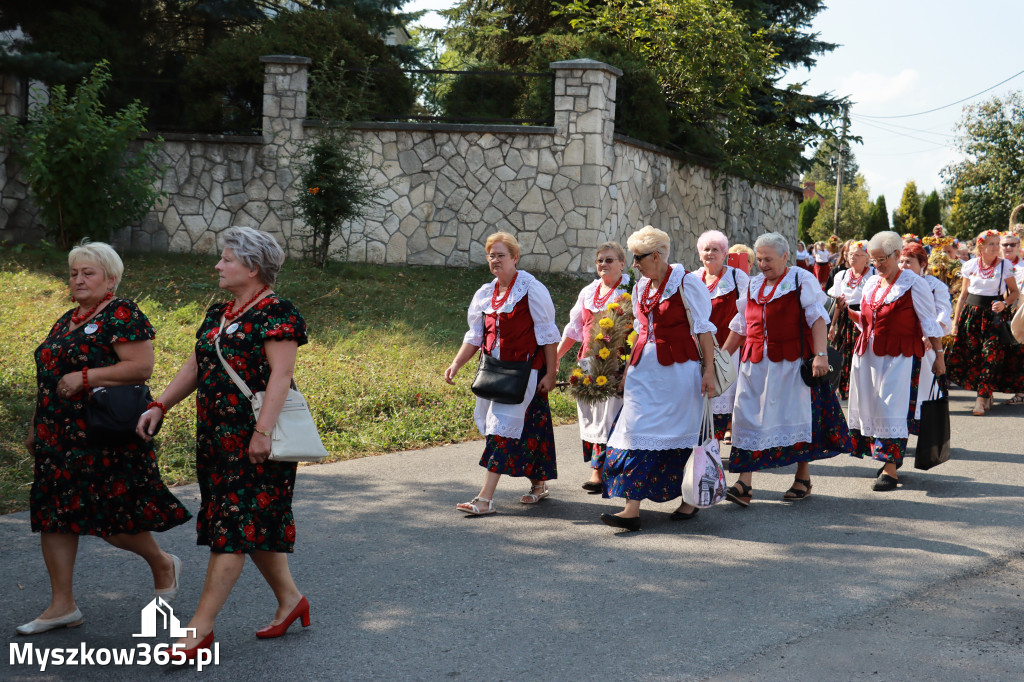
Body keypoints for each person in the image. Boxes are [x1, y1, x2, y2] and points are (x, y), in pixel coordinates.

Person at [137, 226, 310, 657]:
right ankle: (291, 601)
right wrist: (161, 404)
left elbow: (281, 377)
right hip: (216, 438)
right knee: (247, 522)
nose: (218, 264)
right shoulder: (220, 313)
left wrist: (263, 432)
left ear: (252, 267)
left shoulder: (277, 312)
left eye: (227, 258)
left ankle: (200, 628)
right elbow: (196, 364)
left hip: (255, 439)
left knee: (231, 528)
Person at [18, 241, 190, 636]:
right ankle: (63, 605)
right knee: (55, 517)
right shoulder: (67, 321)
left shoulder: (122, 313)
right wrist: (35, 425)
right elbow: (48, 379)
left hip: (101, 434)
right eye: (74, 273)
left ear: (110, 278)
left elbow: (141, 367)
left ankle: (162, 563)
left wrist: (86, 377)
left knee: (112, 519)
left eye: (88, 273)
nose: (78, 279)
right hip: (56, 435)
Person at [598, 226, 716, 531]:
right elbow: (641, 331)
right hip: (643, 372)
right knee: (635, 431)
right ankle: (631, 508)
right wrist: (627, 372)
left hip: (678, 372)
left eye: (638, 258)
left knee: (683, 433)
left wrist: (709, 371)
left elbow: (703, 329)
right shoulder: (641, 287)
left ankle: (689, 500)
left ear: (656, 255)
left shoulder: (687, 283)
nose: (634, 264)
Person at [721, 233, 851, 507]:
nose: (763, 264)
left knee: (796, 418)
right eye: (759, 259)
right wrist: (720, 359)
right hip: (754, 365)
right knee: (747, 420)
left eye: (769, 258)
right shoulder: (753, 284)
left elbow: (817, 319)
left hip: (790, 363)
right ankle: (745, 483)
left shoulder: (800, 279)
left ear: (784, 256)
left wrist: (819, 355)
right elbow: (740, 326)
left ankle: (802, 477)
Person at [445, 231, 561, 515]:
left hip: (524, 371)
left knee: (500, 431)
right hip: (494, 372)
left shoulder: (531, 289)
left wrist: (551, 373)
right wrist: (457, 364)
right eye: (491, 256)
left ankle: (484, 499)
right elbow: (474, 336)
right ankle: (539, 483)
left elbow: (548, 335)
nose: (495, 260)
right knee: (530, 427)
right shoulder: (485, 293)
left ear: (515, 258)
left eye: (501, 255)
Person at [845, 232, 946, 491]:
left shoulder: (913, 283)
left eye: (882, 259)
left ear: (895, 255)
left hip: (899, 357)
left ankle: (890, 469)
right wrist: (848, 313)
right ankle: (889, 458)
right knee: (874, 407)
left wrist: (939, 356)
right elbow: (869, 319)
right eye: (873, 260)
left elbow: (928, 321)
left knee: (892, 408)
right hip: (868, 356)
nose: (877, 265)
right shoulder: (871, 283)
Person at [557, 242, 630, 491]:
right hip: (588, 363)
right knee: (592, 415)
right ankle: (598, 470)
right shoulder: (589, 291)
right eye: (600, 260)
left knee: (612, 416)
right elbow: (574, 328)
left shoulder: (632, 290)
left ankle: (607, 471)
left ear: (622, 263)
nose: (603, 264)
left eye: (609, 260)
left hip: (618, 363)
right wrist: (556, 356)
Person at [947, 229, 1022, 415]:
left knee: (991, 356)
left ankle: (980, 400)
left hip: (994, 317)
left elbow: (1015, 293)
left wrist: (1004, 304)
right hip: (971, 316)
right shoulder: (970, 265)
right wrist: (955, 323)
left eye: (998, 243)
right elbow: (963, 296)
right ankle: (987, 393)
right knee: (975, 357)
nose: (997, 247)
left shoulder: (1005, 266)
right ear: (981, 246)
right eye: (992, 244)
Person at [695, 229, 749, 443]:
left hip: (728, 348)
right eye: (705, 249)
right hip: (698, 348)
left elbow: (747, 313)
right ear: (700, 254)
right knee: (700, 398)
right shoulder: (692, 278)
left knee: (724, 396)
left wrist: (727, 351)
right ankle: (703, 448)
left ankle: (714, 446)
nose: (710, 253)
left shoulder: (737, 276)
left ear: (725, 252)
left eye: (715, 249)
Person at [899, 242, 954, 428]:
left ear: (922, 264)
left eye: (908, 261)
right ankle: (897, 434)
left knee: (925, 390)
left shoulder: (933, 285)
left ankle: (928, 435)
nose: (903, 266)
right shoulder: (896, 285)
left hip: (926, 346)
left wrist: (928, 335)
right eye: (901, 261)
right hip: (901, 345)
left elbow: (943, 313)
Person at [828, 241, 874, 400]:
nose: (852, 257)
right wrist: (832, 325)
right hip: (844, 316)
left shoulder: (873, 276)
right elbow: (838, 303)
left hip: (863, 318)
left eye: (857, 255)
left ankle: (860, 390)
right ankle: (842, 389)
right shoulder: (841, 275)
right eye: (850, 254)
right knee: (841, 352)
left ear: (867, 257)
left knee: (860, 353)